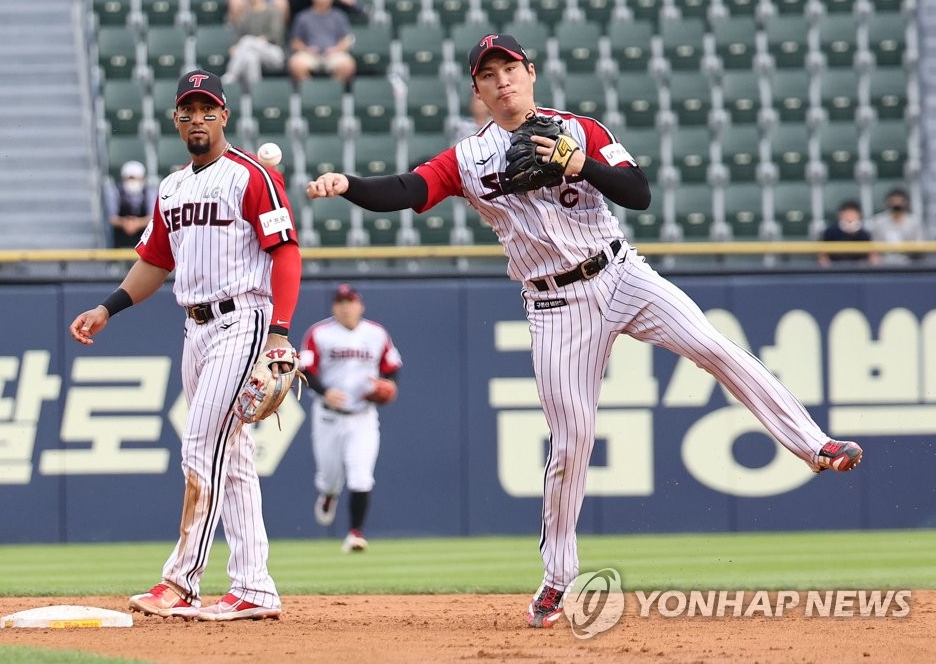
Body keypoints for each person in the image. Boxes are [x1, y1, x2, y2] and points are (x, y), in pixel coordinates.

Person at [306, 33, 864, 629]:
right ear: (477, 89)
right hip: (555, 306)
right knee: (571, 444)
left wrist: (577, 162)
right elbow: (408, 189)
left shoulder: (581, 128)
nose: (502, 81)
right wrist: (350, 186)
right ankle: (556, 579)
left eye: (510, 68)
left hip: (621, 272)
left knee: (714, 346)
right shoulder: (467, 159)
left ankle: (814, 445)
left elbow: (639, 193)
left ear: (531, 73)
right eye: (488, 74)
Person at [69, 69, 302, 622]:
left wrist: (280, 332)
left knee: (200, 441)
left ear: (224, 115)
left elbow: (285, 252)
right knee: (235, 457)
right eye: (187, 110)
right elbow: (155, 262)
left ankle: (182, 580)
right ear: (176, 119)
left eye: (207, 109)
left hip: (243, 319)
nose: (198, 118)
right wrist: (107, 308)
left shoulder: (250, 176)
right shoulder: (172, 187)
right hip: (194, 329)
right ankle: (254, 586)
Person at [298, 283, 403, 553]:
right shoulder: (320, 333)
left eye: (350, 301)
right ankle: (328, 493)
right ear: (334, 306)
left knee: (361, 476)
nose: (346, 306)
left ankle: (355, 533)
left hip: (363, 416)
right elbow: (305, 369)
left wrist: (387, 385)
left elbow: (391, 368)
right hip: (328, 417)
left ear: (360, 305)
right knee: (330, 477)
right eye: (340, 302)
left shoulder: (376, 333)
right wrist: (324, 392)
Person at [287, 0, 356, 85]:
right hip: (310, 54)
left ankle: (332, 90)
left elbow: (346, 41)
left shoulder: (339, 16)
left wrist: (336, 49)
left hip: (333, 53)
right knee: (295, 64)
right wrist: (306, 49)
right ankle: (311, 91)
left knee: (348, 65)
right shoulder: (303, 17)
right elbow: (295, 42)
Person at [223, 0, 288, 87]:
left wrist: (262, 39)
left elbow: (276, 35)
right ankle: (254, 92)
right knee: (250, 58)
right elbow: (237, 36)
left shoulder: (273, 11)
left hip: (274, 53)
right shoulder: (244, 14)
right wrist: (234, 47)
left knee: (247, 40)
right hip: (251, 51)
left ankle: (231, 75)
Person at [106, 160, 157, 249]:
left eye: (136, 178)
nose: (132, 182)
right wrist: (124, 223)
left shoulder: (150, 192)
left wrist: (137, 224)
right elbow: (111, 217)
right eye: (129, 179)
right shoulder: (115, 191)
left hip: (145, 241)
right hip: (120, 241)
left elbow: (153, 217)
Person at [868, 187, 923, 266]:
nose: (896, 204)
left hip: (909, 263)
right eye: (893, 201)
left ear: (906, 203)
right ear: (887, 202)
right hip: (883, 263)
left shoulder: (914, 222)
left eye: (900, 201)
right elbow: (873, 249)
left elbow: (919, 248)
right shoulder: (878, 221)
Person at [818, 199, 879, 267]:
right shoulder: (830, 232)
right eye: (847, 213)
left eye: (852, 213)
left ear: (859, 215)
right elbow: (822, 255)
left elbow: (873, 256)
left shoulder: (864, 233)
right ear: (840, 214)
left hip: (859, 270)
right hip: (835, 269)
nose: (849, 216)